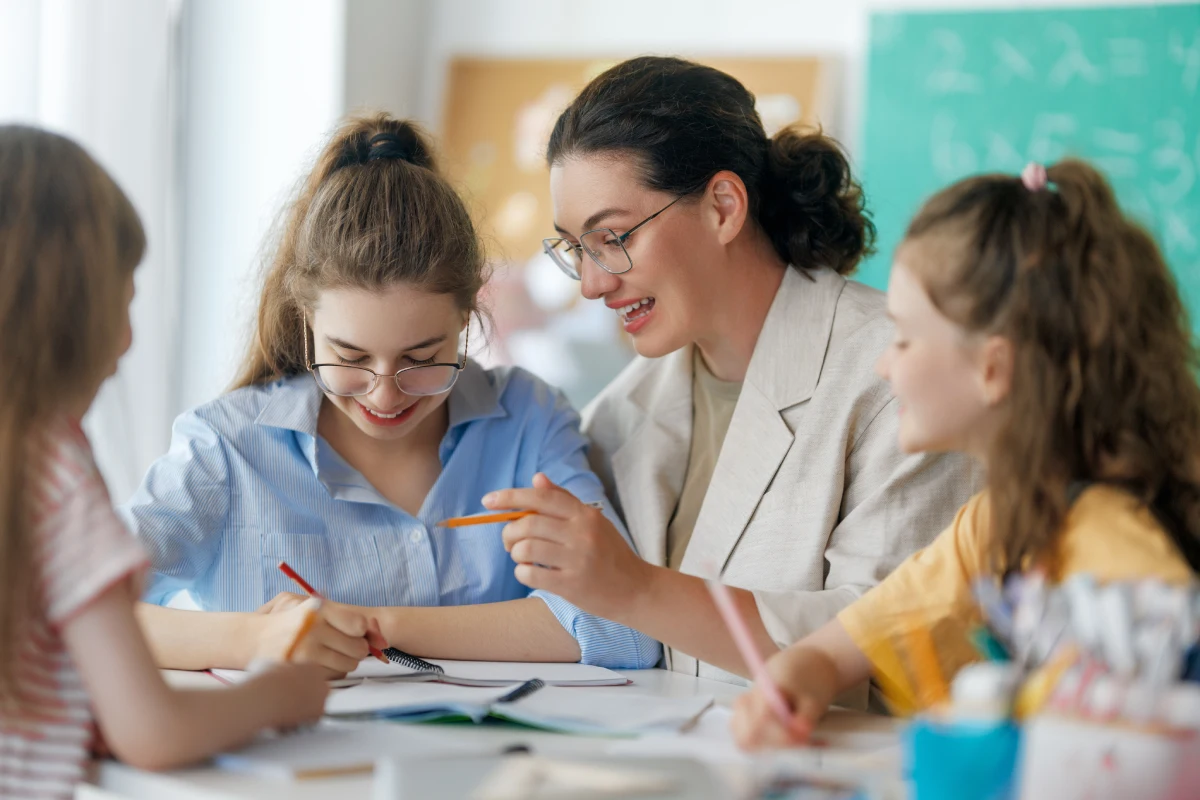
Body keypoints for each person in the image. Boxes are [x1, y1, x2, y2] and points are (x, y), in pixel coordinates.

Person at [486, 56, 976, 687]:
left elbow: (897, 644)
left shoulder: (900, 378)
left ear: (722, 206)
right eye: (576, 247)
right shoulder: (617, 416)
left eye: (613, 237)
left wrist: (636, 591)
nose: (591, 282)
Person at [127, 113, 660, 674]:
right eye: (351, 358)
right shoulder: (224, 448)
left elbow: (626, 626)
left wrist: (372, 624)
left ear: (468, 313)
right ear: (306, 319)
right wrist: (257, 640)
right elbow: (66, 615)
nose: (384, 395)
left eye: (423, 358)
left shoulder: (529, 420)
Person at [731, 160, 1200, 747]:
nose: (884, 363)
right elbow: (844, 645)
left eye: (902, 338)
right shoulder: (995, 522)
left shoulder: (1117, 551)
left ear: (993, 368)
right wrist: (802, 673)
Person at [0, 126, 327, 796]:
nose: (126, 342)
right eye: (124, 302)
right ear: (80, 315)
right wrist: (277, 694)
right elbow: (152, 733)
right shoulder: (51, 473)